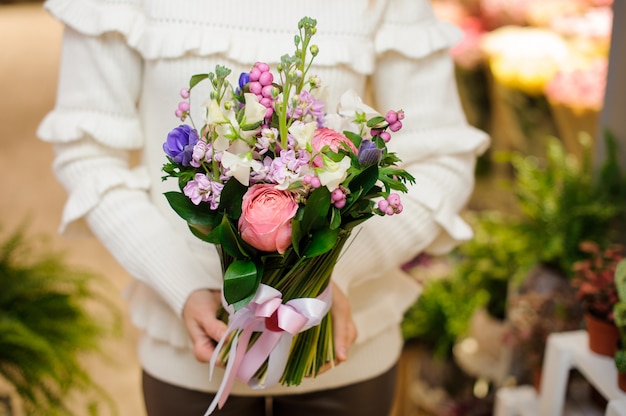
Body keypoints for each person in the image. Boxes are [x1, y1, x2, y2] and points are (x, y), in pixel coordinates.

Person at [38, 0, 489, 415]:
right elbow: (88, 155)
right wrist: (181, 282)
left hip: (343, 357)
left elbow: (442, 160)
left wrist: (330, 278)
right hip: (194, 361)